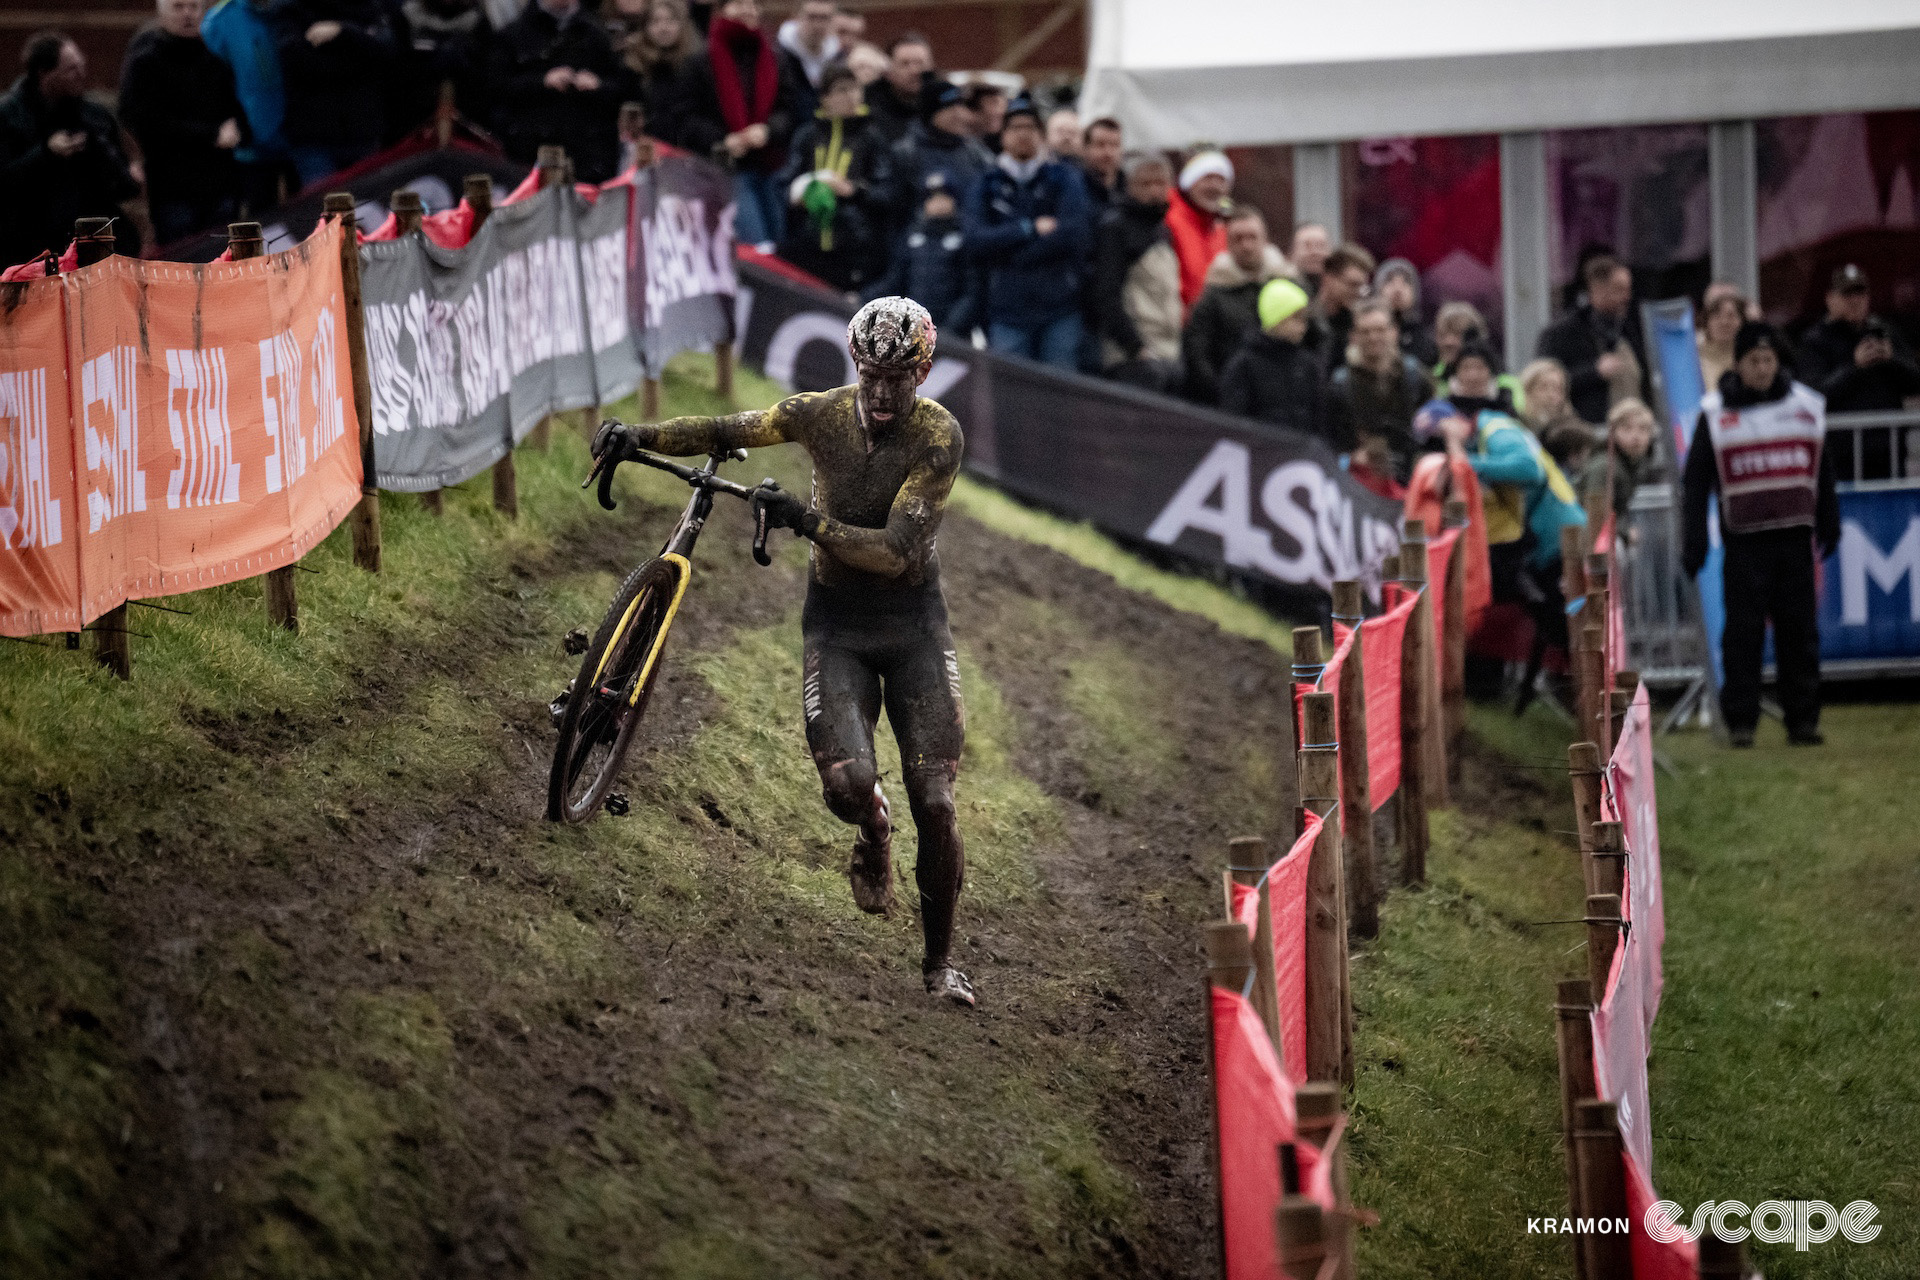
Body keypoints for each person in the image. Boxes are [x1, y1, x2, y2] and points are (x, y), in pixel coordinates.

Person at [589, 298, 976, 1005]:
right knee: (846, 787)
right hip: (837, 626)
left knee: (938, 800)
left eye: (901, 378)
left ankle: (940, 965)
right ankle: (872, 828)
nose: (885, 393)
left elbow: (894, 552)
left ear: (922, 372)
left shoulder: (938, 436)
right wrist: (633, 434)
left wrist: (808, 521)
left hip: (913, 623)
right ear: (856, 365)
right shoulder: (818, 412)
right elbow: (724, 427)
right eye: (872, 375)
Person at [1682, 322, 1839, 747]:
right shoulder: (1715, 412)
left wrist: (1829, 517)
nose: (1763, 368)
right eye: (1754, 360)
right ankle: (1742, 723)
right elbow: (1695, 480)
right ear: (1738, 364)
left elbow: (1821, 468)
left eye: (1769, 359)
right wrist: (1693, 537)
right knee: (1743, 634)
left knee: (1799, 633)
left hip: (1793, 537)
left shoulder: (1806, 405)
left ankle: (1803, 721)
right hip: (1745, 540)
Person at [1437, 344, 1585, 710]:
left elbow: (1528, 471)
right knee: (1554, 622)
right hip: (1553, 536)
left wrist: (1464, 461)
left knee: (1565, 629)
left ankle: (1588, 701)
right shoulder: (1495, 430)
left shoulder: (1493, 429)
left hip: (1555, 539)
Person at [962, 94, 1089, 369]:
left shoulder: (1064, 178)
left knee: (1061, 392)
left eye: (1030, 127)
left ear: (1042, 135)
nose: (1023, 134)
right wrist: (1028, 229)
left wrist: (1011, 253)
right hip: (1006, 309)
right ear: (1004, 135)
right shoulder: (986, 184)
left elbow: (1072, 233)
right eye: (1015, 127)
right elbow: (974, 239)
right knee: (1012, 396)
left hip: (1059, 306)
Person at [661, 0, 798, 246]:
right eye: (739, 3)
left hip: (771, 165)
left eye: (753, 4)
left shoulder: (776, 57)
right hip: (726, 168)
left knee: (781, 240)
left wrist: (768, 130)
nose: (748, 9)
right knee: (755, 242)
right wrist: (723, 140)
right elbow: (685, 118)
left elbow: (789, 109)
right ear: (721, 10)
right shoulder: (699, 62)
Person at [0, 33, 141, 266]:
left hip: (87, 239)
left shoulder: (93, 116)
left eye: (81, 67)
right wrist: (46, 153)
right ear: (44, 74)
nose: (81, 75)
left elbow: (122, 183)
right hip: (29, 243)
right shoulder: (9, 116)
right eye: (70, 69)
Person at [119, 0, 247, 245]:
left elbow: (235, 110)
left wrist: (237, 130)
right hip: (174, 189)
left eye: (194, 6)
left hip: (219, 185)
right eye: (178, 7)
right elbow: (145, 122)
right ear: (162, 11)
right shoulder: (145, 60)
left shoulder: (214, 57)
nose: (188, 14)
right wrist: (210, 135)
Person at [775, 63, 885, 293]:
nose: (851, 97)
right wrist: (800, 193)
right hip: (807, 245)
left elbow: (889, 193)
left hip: (854, 248)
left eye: (855, 89)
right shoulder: (807, 136)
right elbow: (784, 184)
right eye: (842, 90)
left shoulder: (872, 138)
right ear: (825, 98)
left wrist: (852, 190)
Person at [275, 0, 399, 184]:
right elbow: (300, 62)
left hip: (362, 129)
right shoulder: (292, 9)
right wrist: (358, 56)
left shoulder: (371, 8)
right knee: (321, 207)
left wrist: (343, 32)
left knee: (366, 205)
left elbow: (387, 52)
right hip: (313, 134)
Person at [1090, 151, 1182, 392]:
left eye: (1160, 183)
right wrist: (1135, 347)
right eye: (1145, 183)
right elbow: (1106, 294)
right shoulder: (1115, 228)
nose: (1154, 190)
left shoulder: (1164, 230)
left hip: (1168, 352)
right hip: (1134, 357)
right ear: (1129, 186)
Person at [1180, 204, 1289, 405]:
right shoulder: (1212, 294)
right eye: (1238, 239)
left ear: (1264, 240)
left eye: (1252, 237)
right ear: (1228, 244)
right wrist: (1221, 391)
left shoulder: (1287, 285)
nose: (1246, 246)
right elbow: (1197, 351)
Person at [1535, 253, 1646, 425]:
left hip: (1631, 431)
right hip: (1582, 430)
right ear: (1597, 290)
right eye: (1618, 289)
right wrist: (1594, 372)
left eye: (1628, 289)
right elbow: (1542, 381)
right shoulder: (1560, 333)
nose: (1627, 297)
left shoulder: (1631, 329)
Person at [201, 0, 291, 211]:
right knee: (260, 224)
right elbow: (212, 87)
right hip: (250, 145)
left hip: (300, 140)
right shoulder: (219, 22)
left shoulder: (291, 11)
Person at [1328, 301, 1431, 486]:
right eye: (1365, 331)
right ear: (1354, 336)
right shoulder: (1340, 384)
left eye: (1380, 330)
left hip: (1411, 481)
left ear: (1394, 332)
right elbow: (1329, 440)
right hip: (1360, 486)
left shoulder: (1415, 375)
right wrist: (1350, 457)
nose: (1373, 337)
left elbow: (1432, 428)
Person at [1219, 278, 1331, 443]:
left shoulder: (1308, 365)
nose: (1303, 326)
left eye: (1304, 319)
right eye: (1296, 318)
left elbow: (1319, 418)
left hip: (1300, 457)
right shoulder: (1244, 365)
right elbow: (1234, 420)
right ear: (1276, 318)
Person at [884, 79, 990, 252]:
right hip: (923, 251)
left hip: (969, 248)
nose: (959, 115)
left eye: (960, 107)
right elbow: (896, 212)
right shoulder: (906, 153)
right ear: (932, 113)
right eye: (950, 108)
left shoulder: (975, 151)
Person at [870, 171, 975, 334]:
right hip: (912, 330)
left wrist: (950, 329)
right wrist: (865, 299)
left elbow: (971, 292)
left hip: (950, 334)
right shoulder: (911, 237)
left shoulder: (966, 238)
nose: (938, 203)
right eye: (932, 198)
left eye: (944, 197)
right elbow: (895, 281)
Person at [616, 0, 698, 131]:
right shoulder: (632, 65)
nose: (663, 28)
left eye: (671, 21)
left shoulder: (694, 65)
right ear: (645, 26)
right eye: (655, 22)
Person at [1165, 148, 1230, 312]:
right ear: (1189, 182)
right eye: (1207, 178)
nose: (1215, 186)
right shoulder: (1169, 221)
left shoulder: (1221, 230)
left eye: (1221, 180)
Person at [1580, 396, 1660, 529]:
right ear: (1613, 432)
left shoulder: (1634, 464)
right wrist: (1625, 533)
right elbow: (1595, 517)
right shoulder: (1605, 466)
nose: (1636, 436)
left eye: (1643, 429)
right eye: (1627, 428)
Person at [1518, 357, 1598, 479]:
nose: (1551, 395)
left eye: (1557, 389)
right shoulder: (1518, 426)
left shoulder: (1572, 430)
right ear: (1528, 389)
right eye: (1543, 387)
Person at [1820, 317, 1920, 413]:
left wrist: (1892, 360)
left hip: (1889, 425)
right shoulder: (1819, 339)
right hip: (1846, 425)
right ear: (1830, 299)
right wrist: (1854, 366)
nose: (1856, 301)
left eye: (1862, 298)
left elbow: (1914, 383)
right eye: (1847, 298)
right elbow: (1817, 395)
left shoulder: (1885, 331)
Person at [1313, 242, 1374, 372]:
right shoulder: (1307, 323)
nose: (1358, 292)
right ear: (1328, 279)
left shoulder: (1357, 326)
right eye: (1352, 284)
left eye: (1361, 286)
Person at [774, 0, 839, 119]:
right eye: (812, 17)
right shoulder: (777, 58)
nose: (818, 25)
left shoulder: (838, 59)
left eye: (824, 18)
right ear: (797, 17)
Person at [862, 32, 928, 145]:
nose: (914, 71)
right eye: (904, 64)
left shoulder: (943, 107)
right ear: (888, 73)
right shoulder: (869, 110)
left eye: (920, 63)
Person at [1374, 257, 1437, 366]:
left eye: (1406, 282)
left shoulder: (1425, 338)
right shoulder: (1363, 331)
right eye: (1389, 281)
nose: (1398, 289)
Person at [1695, 287, 1744, 392]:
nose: (1724, 322)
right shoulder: (1692, 358)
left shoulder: (1751, 358)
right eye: (1717, 316)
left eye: (1731, 316)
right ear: (1706, 322)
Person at [1078, 115, 1121, 216]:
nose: (1108, 152)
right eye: (1100, 145)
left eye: (1115, 145)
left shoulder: (1129, 188)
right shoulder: (1075, 187)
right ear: (1085, 148)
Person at [1289, 221, 1329, 294]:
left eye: (1321, 245)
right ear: (1293, 252)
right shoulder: (1282, 288)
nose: (1315, 252)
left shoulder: (1344, 290)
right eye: (1307, 245)